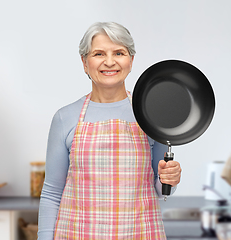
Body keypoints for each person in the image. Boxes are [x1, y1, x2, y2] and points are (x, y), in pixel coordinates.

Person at [37, 22, 182, 239]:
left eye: (119, 52)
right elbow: (51, 193)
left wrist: (169, 179)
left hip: (139, 232)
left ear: (131, 60)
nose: (109, 61)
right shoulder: (65, 118)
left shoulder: (152, 114)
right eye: (98, 53)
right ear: (85, 62)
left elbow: (160, 190)